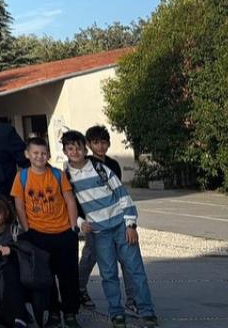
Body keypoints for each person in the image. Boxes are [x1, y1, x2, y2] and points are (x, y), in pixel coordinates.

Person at [61, 130, 158, 328]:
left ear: (84, 147)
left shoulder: (99, 167)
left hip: (120, 226)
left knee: (135, 270)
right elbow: (67, 205)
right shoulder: (66, 177)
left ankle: (147, 312)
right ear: (65, 151)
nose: (75, 152)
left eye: (78, 147)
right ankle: (116, 314)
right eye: (70, 148)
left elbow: (122, 194)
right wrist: (80, 223)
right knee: (108, 275)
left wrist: (131, 224)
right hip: (98, 232)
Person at [11, 135, 80, 328]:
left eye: (43, 153)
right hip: (37, 234)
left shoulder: (58, 174)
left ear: (48, 155)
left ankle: (71, 312)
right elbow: (19, 205)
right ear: (27, 154)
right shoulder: (22, 176)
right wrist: (27, 229)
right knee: (45, 277)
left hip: (64, 232)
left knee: (68, 276)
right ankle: (54, 313)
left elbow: (70, 200)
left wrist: (74, 226)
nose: (40, 157)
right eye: (35, 153)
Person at [77, 125, 131, 310]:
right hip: (94, 220)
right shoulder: (86, 164)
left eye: (103, 142)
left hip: (115, 218)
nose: (100, 146)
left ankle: (132, 299)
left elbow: (118, 191)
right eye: (96, 142)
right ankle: (79, 289)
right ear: (90, 144)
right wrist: (80, 220)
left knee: (125, 259)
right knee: (90, 256)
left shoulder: (113, 164)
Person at [0, 194, 49, 328]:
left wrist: (12, 251)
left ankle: (19, 317)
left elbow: (30, 252)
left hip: (20, 278)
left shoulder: (16, 230)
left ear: (6, 213)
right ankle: (19, 315)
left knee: (8, 266)